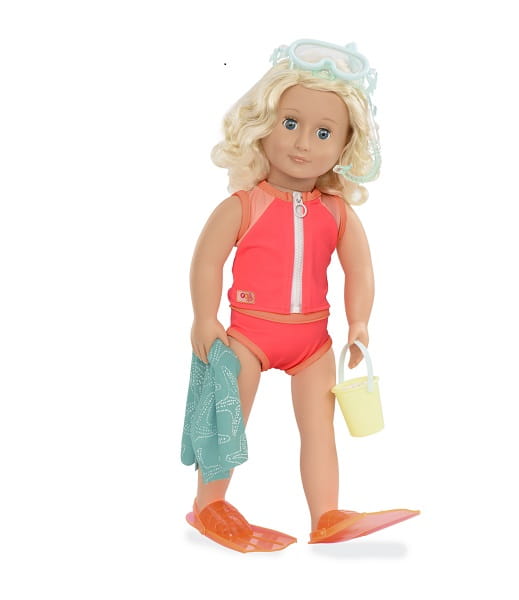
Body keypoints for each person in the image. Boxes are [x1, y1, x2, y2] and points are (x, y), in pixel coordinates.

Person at [184, 39, 419, 552]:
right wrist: (205, 317)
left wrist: (359, 322)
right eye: (290, 123)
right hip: (247, 336)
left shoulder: (336, 213)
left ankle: (326, 514)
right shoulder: (244, 205)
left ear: (346, 145)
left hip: (313, 342)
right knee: (226, 420)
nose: (303, 143)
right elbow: (206, 261)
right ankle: (209, 505)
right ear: (262, 123)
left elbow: (360, 269)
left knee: (319, 430)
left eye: (323, 132)